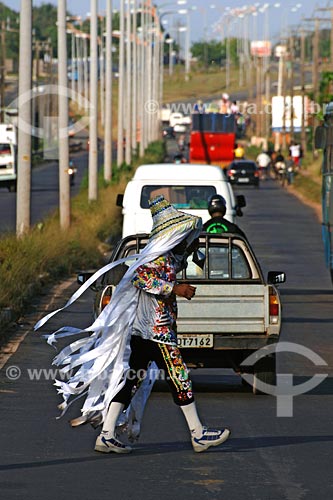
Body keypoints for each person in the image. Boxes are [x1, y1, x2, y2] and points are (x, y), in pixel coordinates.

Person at [34, 195, 230, 455]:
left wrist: (191, 251)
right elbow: (141, 277)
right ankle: (198, 433)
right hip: (156, 331)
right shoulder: (154, 259)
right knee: (179, 375)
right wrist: (176, 288)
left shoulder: (167, 257)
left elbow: (177, 260)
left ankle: (106, 435)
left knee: (131, 381)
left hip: (147, 332)